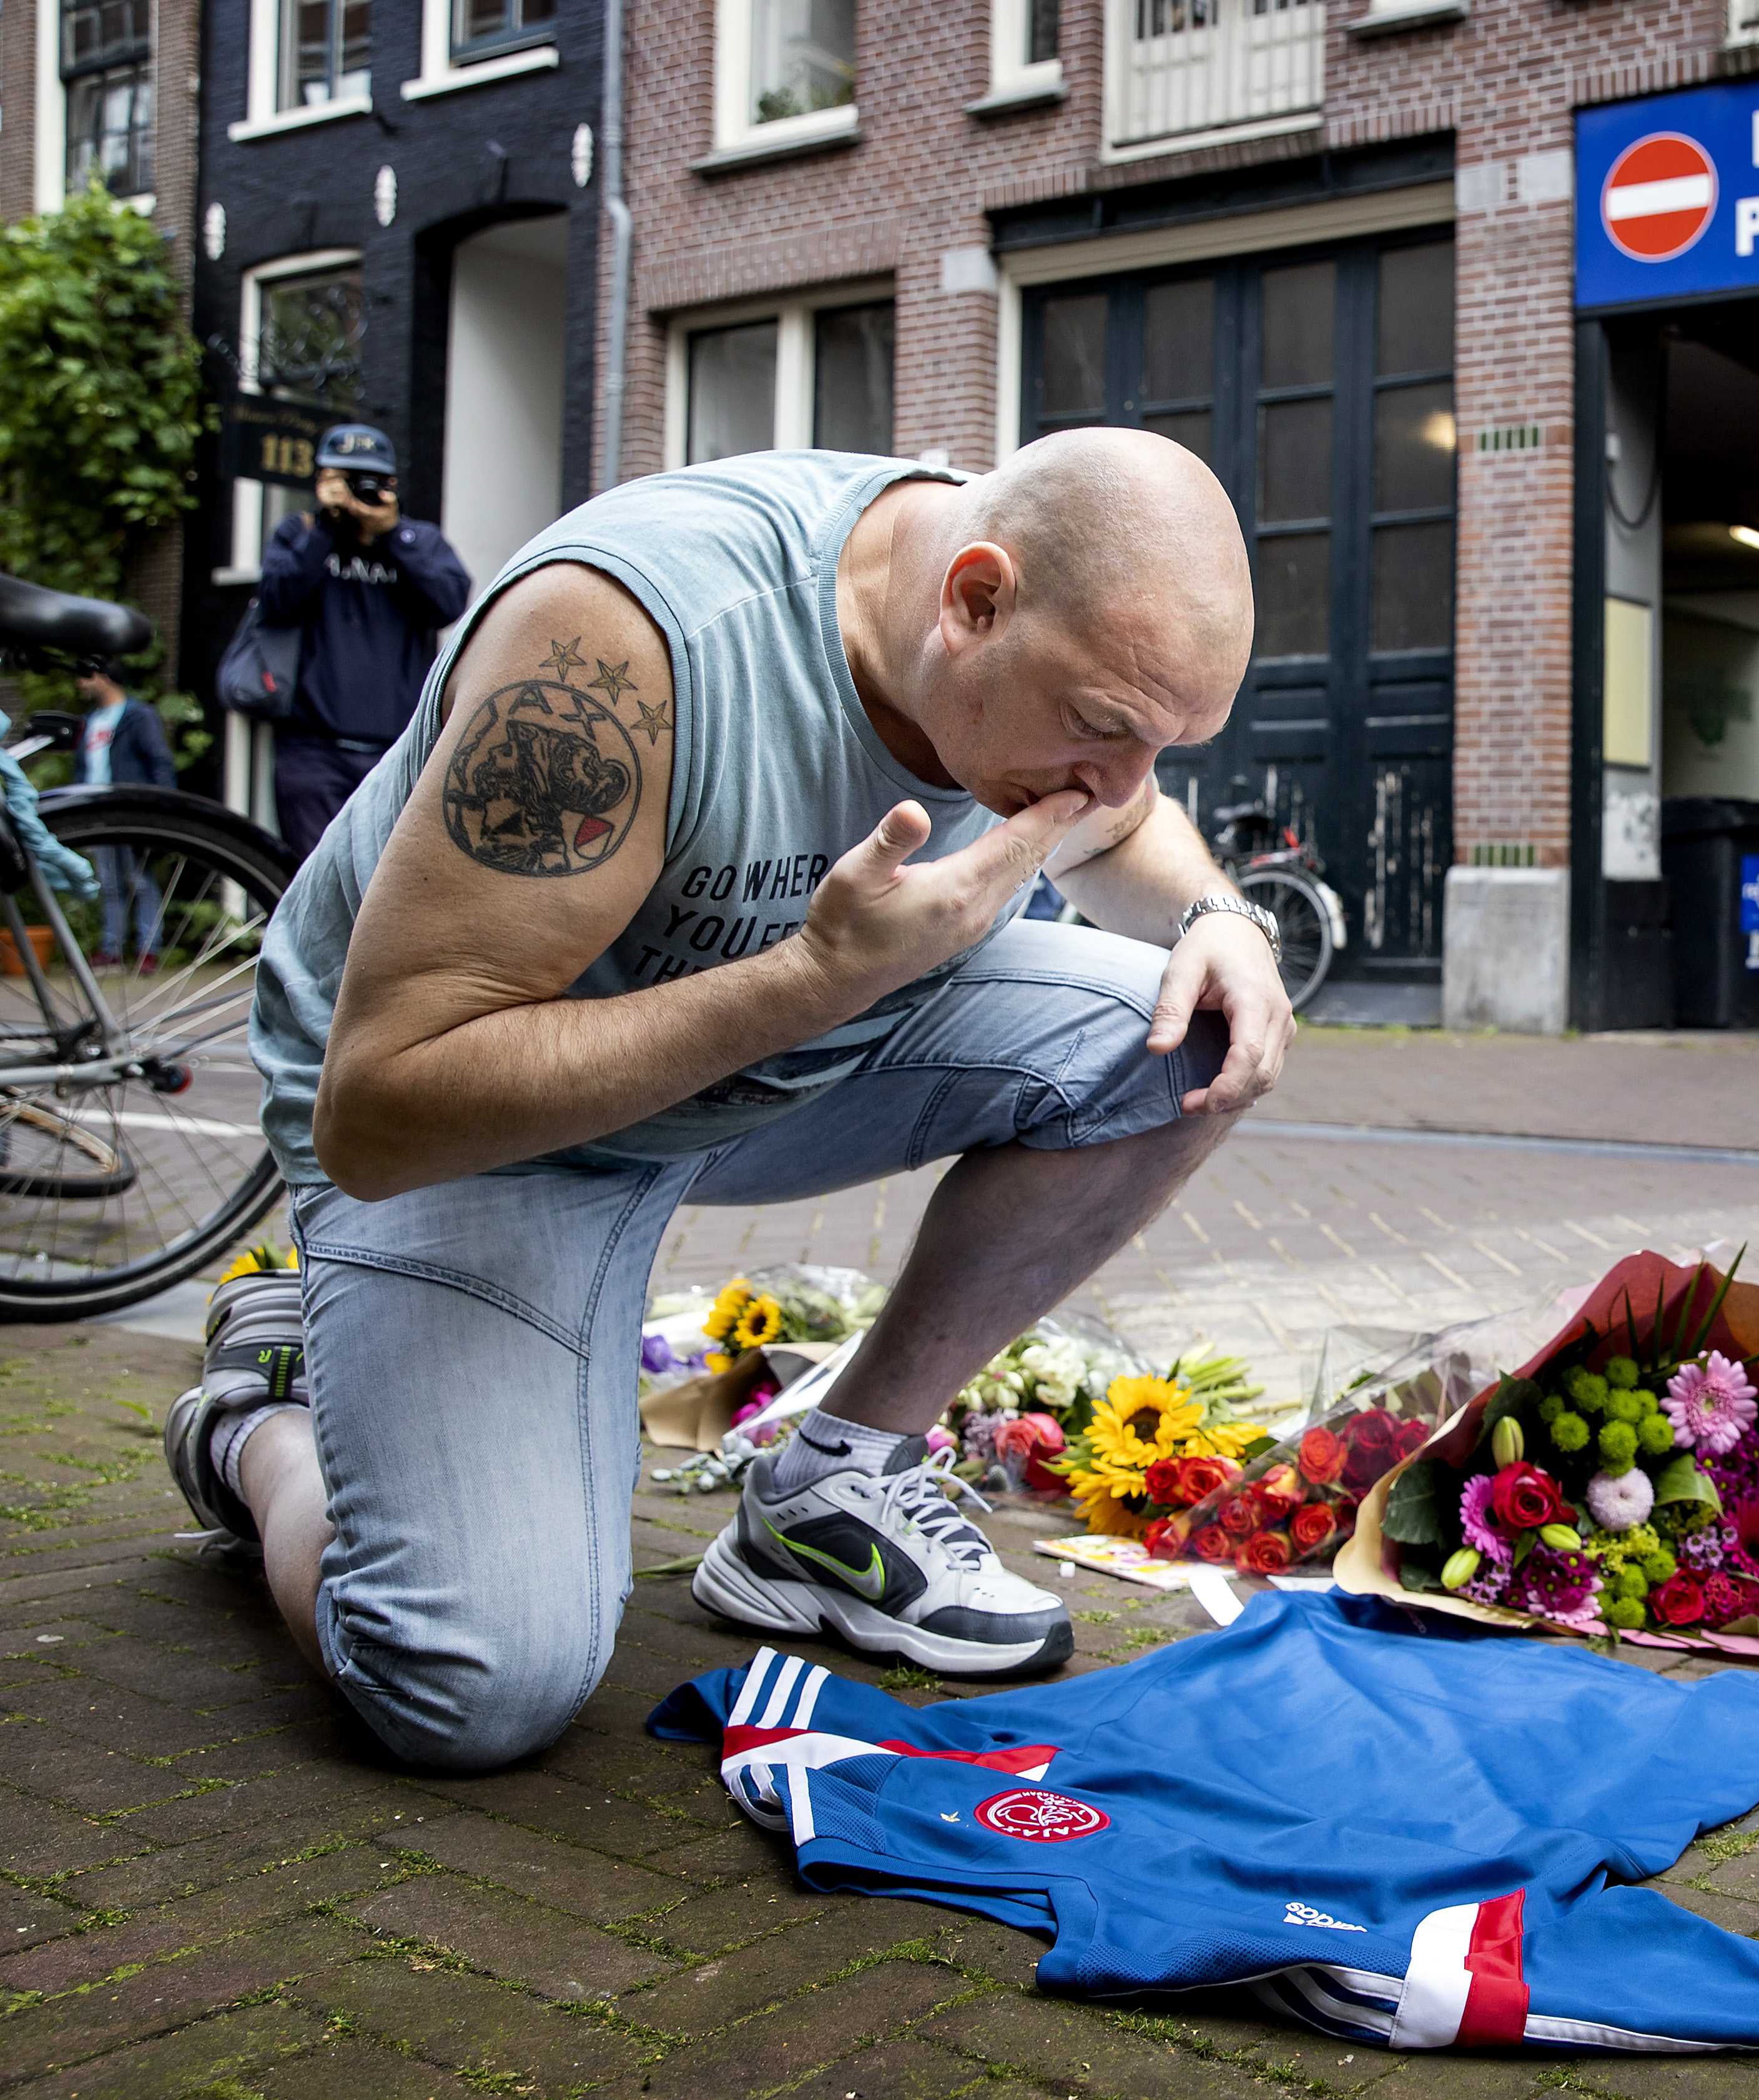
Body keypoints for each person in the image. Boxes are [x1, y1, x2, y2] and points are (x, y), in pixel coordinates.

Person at [162, 430, 1291, 1773]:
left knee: (1193, 1029)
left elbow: (1123, 819)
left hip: (760, 1057)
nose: (1117, 779)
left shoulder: (1040, 643)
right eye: (1101, 727)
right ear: (973, 598)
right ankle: (254, 1418)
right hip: (472, 1131)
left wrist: (1220, 915)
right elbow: (382, 1107)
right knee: (466, 1687)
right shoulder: (623, 646)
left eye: (1160, 740)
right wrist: (813, 975)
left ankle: (835, 1483)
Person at [252, 423, 474, 860]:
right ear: (322, 480)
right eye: (346, 478)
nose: (359, 491)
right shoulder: (298, 535)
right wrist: (324, 531)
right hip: (311, 750)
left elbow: (450, 604)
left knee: (386, 883)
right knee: (312, 877)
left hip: (395, 750)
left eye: (370, 480)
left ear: (391, 485)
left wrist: (392, 536)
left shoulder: (419, 541)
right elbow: (275, 602)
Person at [72, 657, 174, 970]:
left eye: (85, 676)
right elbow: (82, 767)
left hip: (131, 810)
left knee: (140, 880)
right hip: (98, 811)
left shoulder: (139, 715)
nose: (79, 684)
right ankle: (111, 949)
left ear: (103, 677)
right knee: (110, 884)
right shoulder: (90, 720)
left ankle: (149, 951)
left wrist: (162, 807)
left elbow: (159, 760)